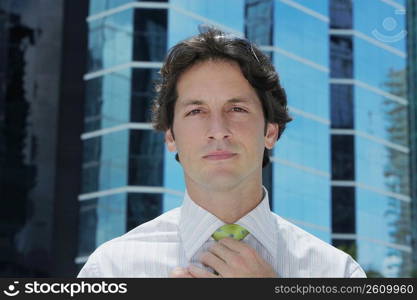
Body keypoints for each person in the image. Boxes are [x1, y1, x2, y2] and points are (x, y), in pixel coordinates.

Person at [78, 28, 366, 278]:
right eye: (196, 111)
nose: (218, 129)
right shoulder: (110, 269)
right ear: (171, 137)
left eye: (237, 109)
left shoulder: (337, 272)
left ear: (270, 132)